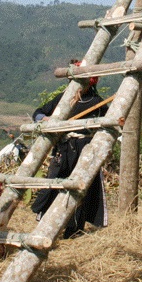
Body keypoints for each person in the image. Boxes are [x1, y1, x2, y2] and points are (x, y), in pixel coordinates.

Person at [31, 60, 109, 238]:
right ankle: (48, 226)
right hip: (64, 147)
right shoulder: (62, 99)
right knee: (55, 184)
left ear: (90, 83)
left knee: (79, 188)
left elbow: (108, 127)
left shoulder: (97, 102)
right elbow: (39, 112)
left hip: (85, 149)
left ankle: (74, 229)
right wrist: (45, 119)